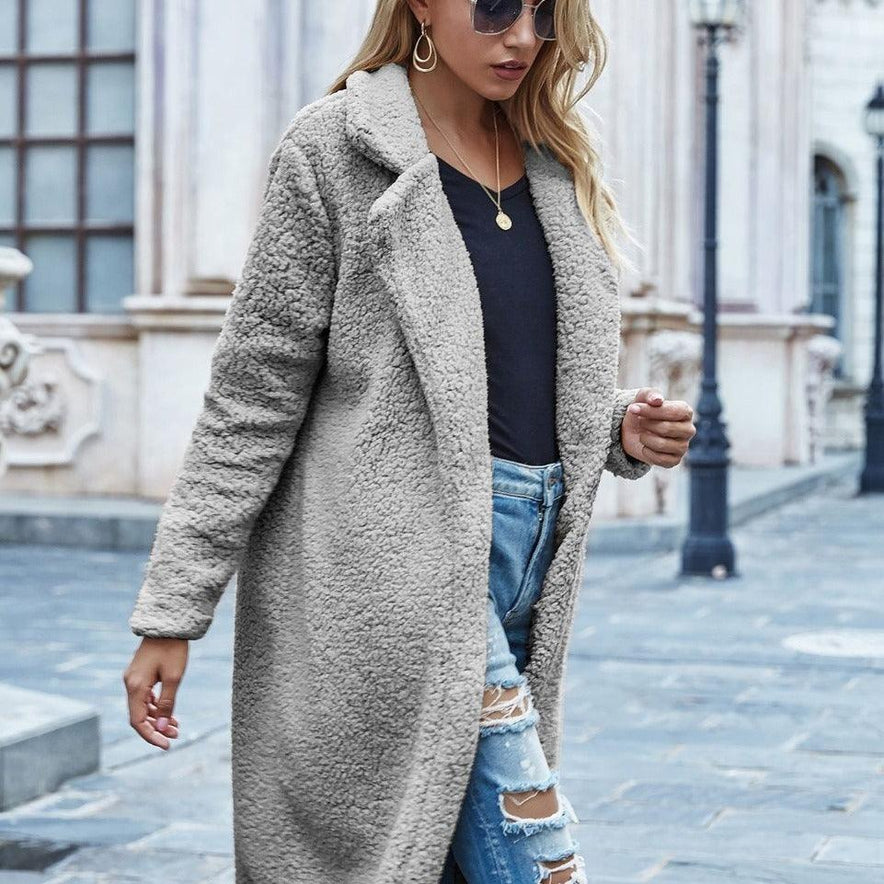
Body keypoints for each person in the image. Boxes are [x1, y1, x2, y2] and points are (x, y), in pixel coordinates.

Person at [122, 1, 695, 882]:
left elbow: (502, 363)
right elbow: (251, 396)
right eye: (496, 6)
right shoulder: (334, 150)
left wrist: (614, 424)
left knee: (454, 856)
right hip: (400, 561)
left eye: (545, 12)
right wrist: (173, 610)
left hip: (531, 550)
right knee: (536, 857)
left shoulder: (552, 155)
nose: (523, 36)